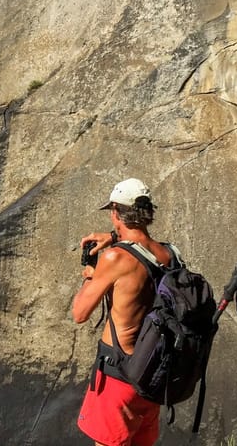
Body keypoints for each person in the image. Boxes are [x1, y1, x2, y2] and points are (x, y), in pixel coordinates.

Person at [72, 178, 175, 446]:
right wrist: (116, 237)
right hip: (150, 376)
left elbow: (80, 313)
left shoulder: (114, 258)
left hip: (119, 377)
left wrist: (91, 276)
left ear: (116, 212)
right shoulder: (169, 255)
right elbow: (141, 251)